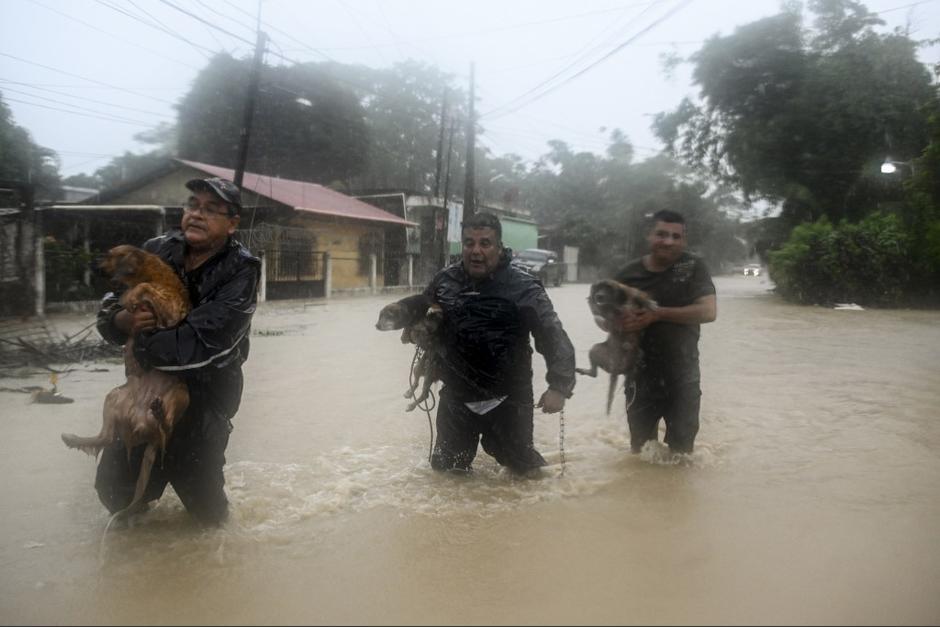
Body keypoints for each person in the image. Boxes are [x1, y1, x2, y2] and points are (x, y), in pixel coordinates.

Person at [94, 177, 261, 525]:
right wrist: (122, 320)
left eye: (211, 209)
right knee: (115, 493)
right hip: (147, 390)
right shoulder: (157, 248)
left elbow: (205, 342)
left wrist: (142, 342)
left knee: (206, 513)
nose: (197, 214)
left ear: (232, 224)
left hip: (205, 395)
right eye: (193, 205)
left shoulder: (241, 269)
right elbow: (113, 301)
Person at [424, 212, 576, 477]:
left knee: (526, 475)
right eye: (469, 243)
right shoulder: (445, 281)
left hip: (508, 398)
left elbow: (552, 335)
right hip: (457, 397)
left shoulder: (524, 286)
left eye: (485, 243)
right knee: (447, 475)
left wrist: (559, 386)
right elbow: (423, 314)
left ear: (499, 247)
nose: (476, 251)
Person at [613, 209, 716, 454]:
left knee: (682, 454)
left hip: (683, 377)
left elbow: (709, 311)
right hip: (639, 377)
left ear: (684, 240)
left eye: (675, 236)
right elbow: (604, 316)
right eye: (661, 234)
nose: (668, 241)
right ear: (649, 235)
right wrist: (619, 323)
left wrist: (657, 314)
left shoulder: (692, 267)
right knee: (641, 453)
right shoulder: (628, 274)